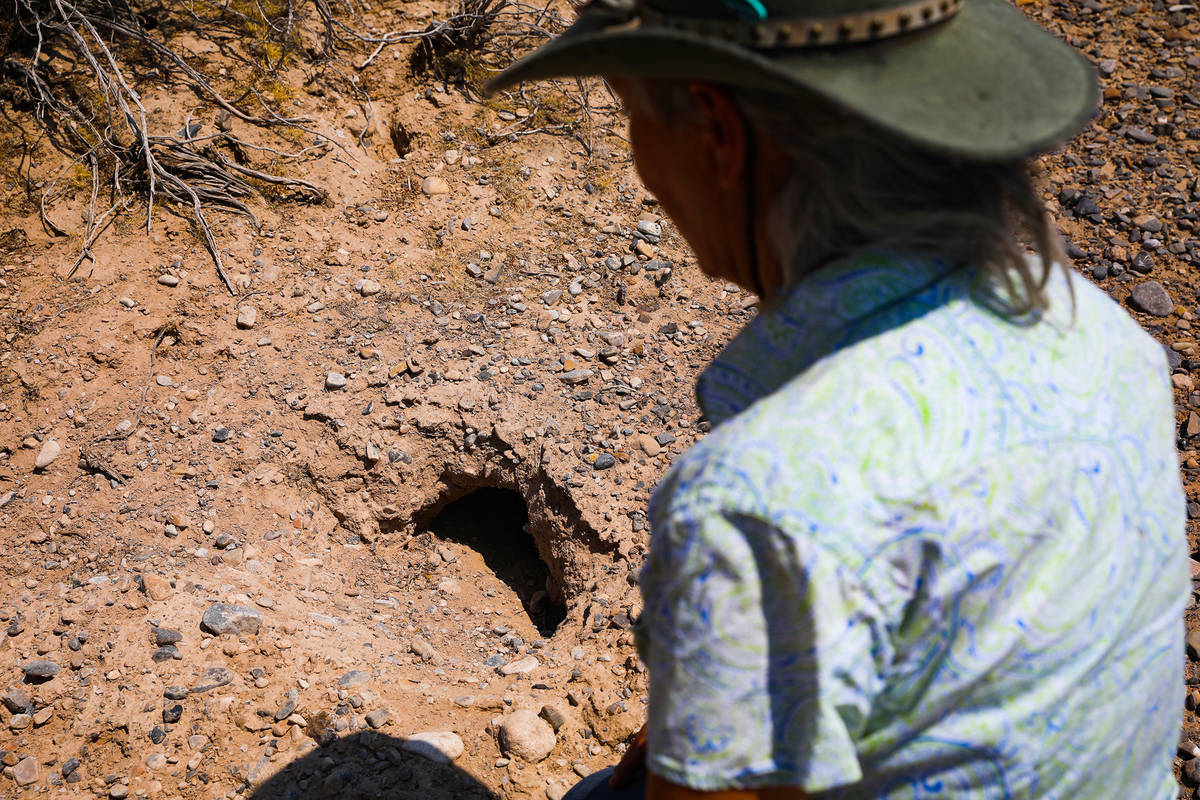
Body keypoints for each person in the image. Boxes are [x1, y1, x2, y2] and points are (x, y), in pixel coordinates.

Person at [488, 1, 1190, 798]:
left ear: (718, 132)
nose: (643, 170)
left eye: (632, 113)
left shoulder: (762, 500)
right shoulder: (1103, 333)